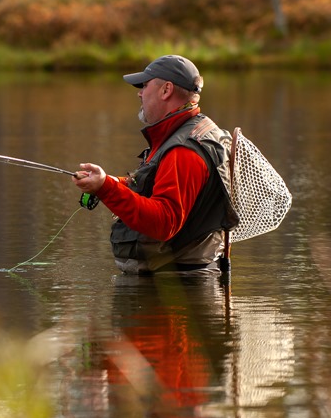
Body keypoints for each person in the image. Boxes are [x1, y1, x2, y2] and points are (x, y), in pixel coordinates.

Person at [72, 55, 239, 276]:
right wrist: (109, 183)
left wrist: (107, 189)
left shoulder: (184, 151)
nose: (140, 93)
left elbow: (164, 223)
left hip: (175, 289)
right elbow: (156, 184)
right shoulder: (191, 131)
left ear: (166, 90)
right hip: (176, 279)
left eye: (145, 85)